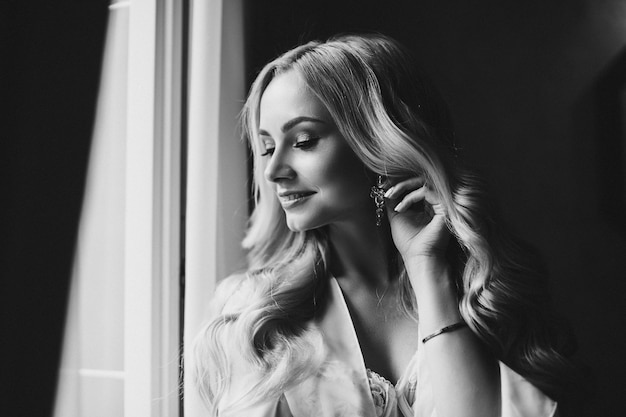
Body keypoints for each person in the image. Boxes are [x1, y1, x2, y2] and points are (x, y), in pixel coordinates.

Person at [192, 33, 577, 417]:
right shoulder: (257, 315)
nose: (274, 171)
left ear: (378, 138)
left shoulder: (486, 295)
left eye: (304, 140)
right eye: (267, 148)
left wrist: (426, 266)